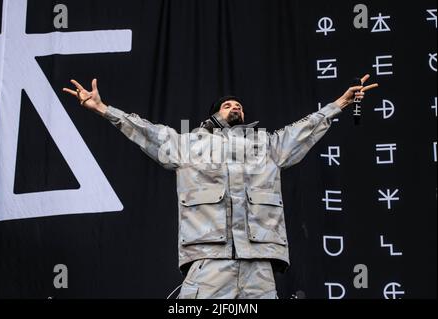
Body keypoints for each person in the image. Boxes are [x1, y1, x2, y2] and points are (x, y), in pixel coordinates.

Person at [63, 75, 378, 299]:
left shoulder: (266, 146)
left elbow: (302, 132)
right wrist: (104, 109)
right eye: (227, 104)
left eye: (238, 105)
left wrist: (339, 104)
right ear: (212, 115)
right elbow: (146, 132)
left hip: (258, 264)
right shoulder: (188, 145)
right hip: (209, 261)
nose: (234, 107)